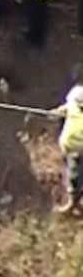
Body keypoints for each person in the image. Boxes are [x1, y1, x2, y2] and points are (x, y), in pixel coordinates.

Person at [48, 83, 83, 215]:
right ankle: (76, 202)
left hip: (78, 152)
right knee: (73, 174)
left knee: (75, 177)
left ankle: (73, 204)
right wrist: (54, 113)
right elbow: (61, 111)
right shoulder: (72, 105)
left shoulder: (74, 105)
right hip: (69, 148)